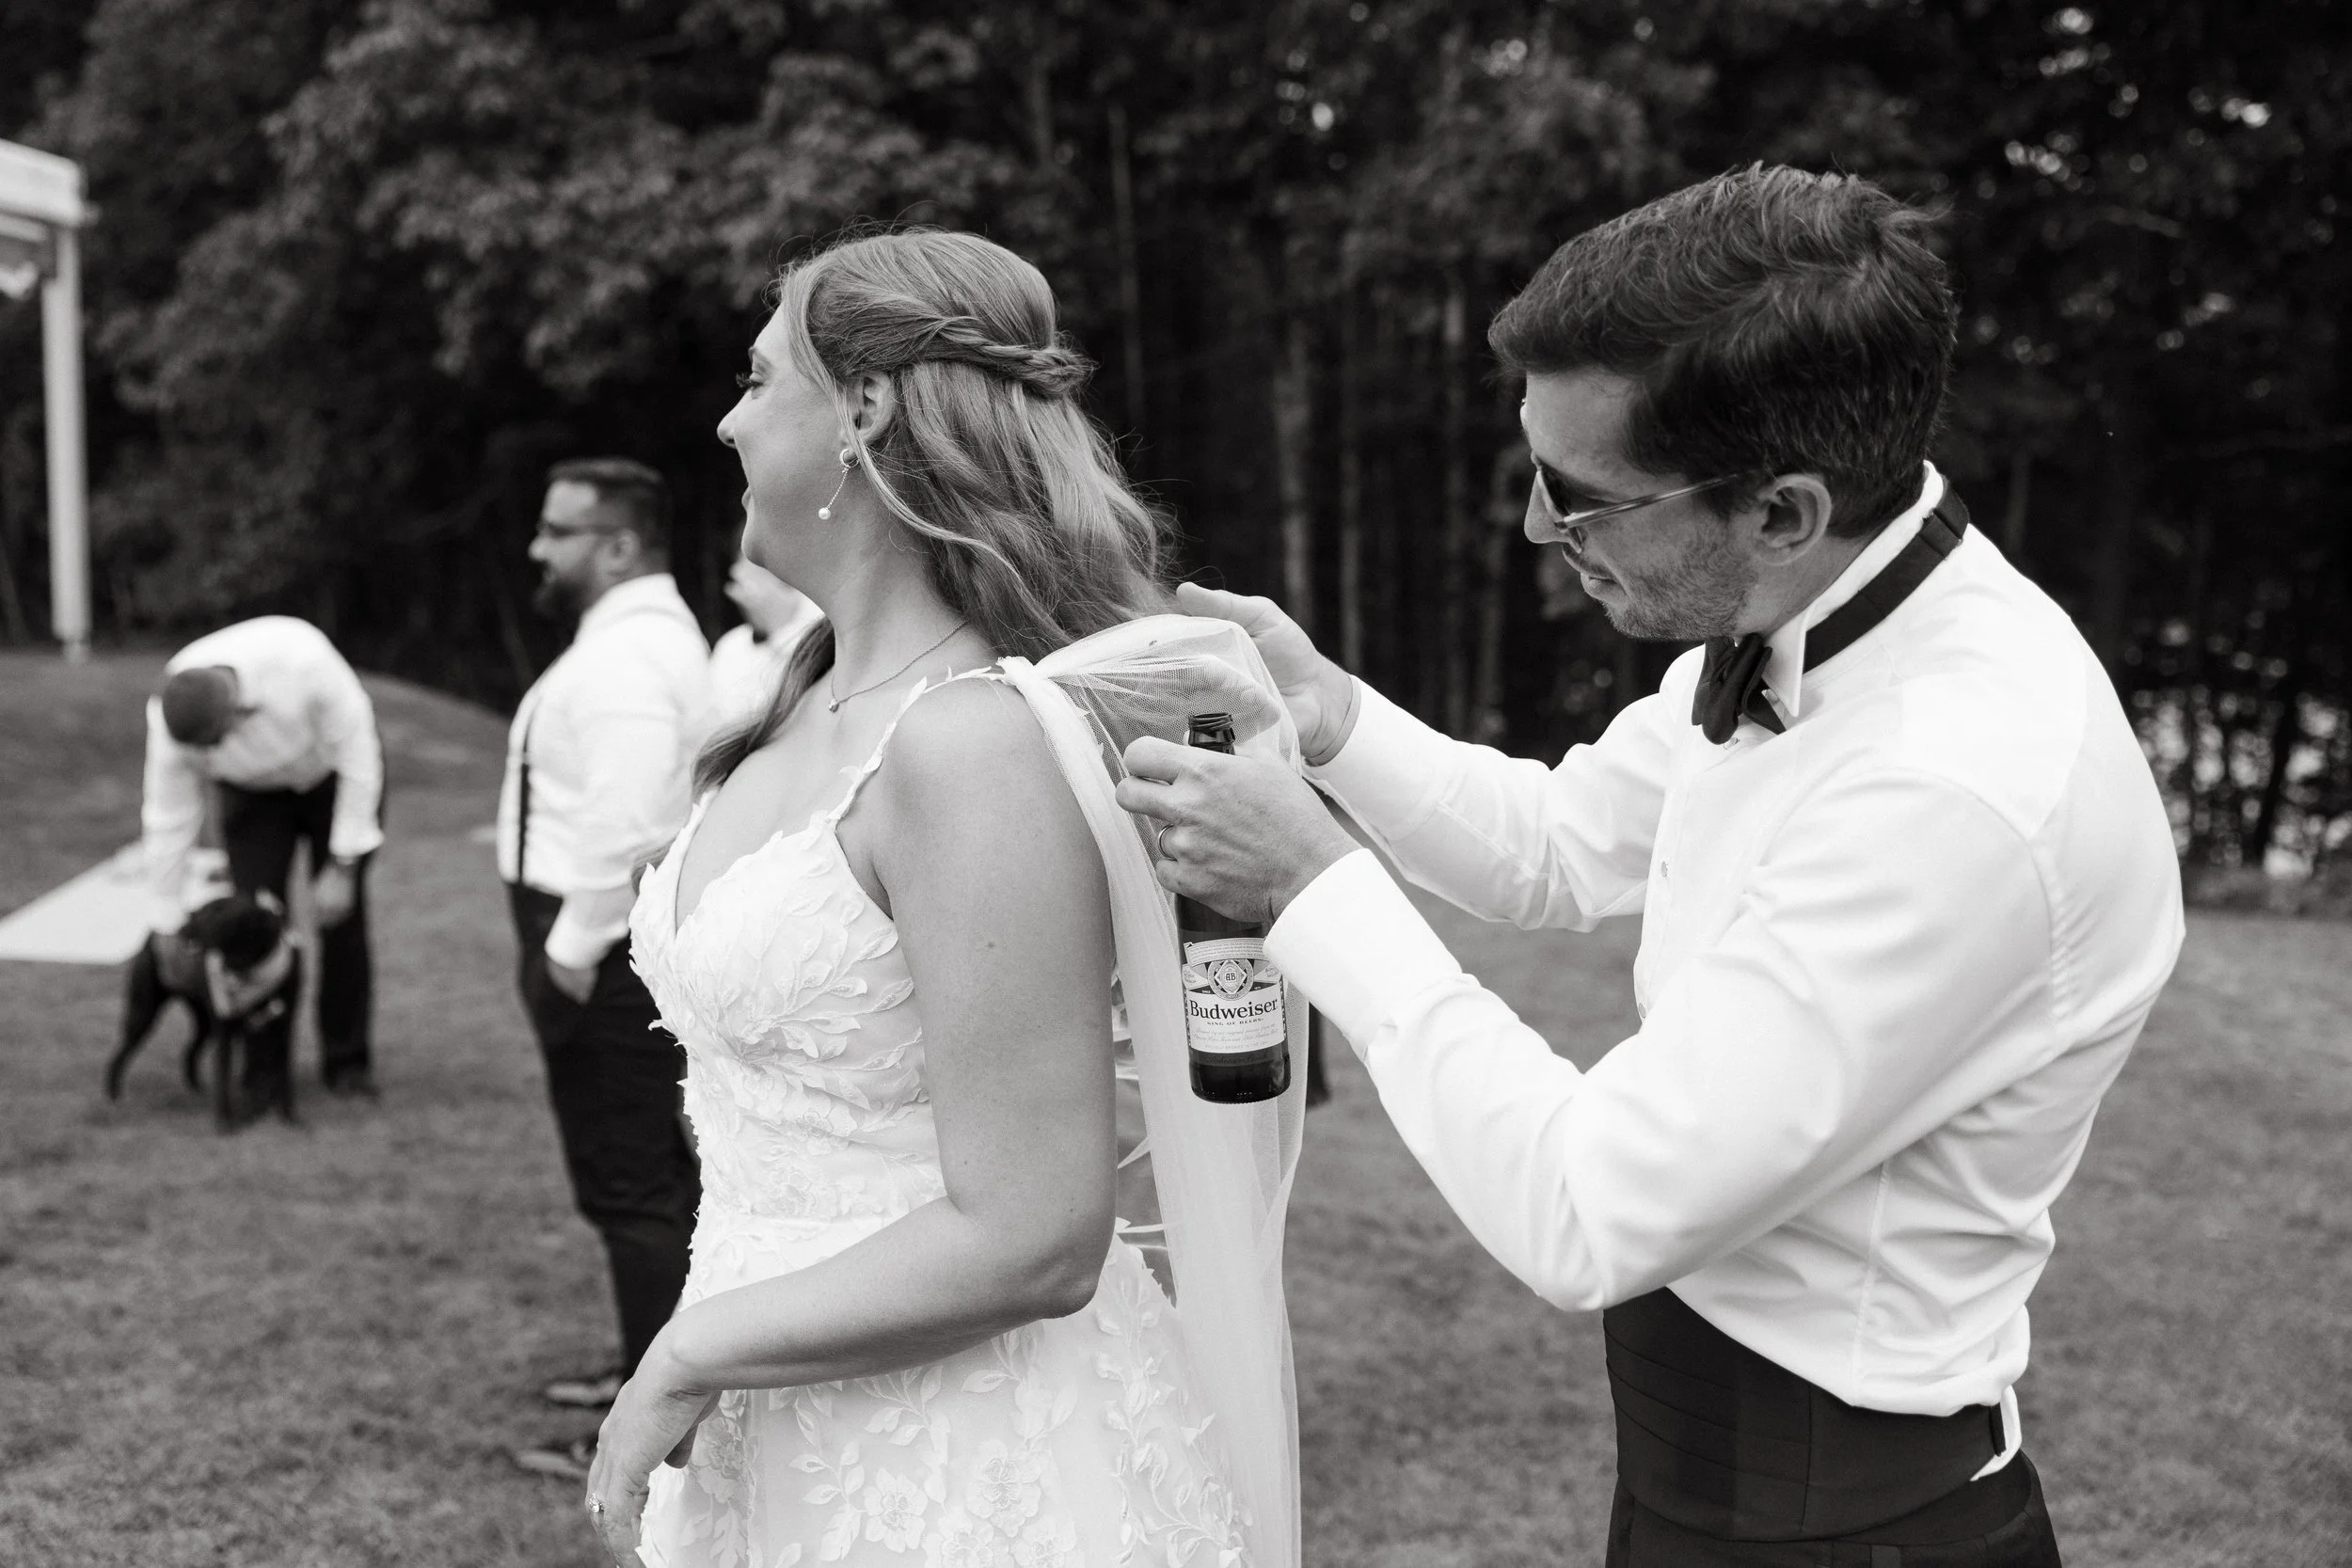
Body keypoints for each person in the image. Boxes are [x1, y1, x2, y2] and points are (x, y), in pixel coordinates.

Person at [1118, 166, 2184, 1566]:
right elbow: (1557, 845)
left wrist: (1314, 888)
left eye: (1580, 497)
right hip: (1707, 1483)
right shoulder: (1804, 610)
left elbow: (1588, 1205)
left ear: (1783, 510)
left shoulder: (1953, 791)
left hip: (1853, 1524)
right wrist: (1330, 716)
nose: (1536, 532)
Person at [580, 230, 1303, 1568]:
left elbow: (1034, 1231)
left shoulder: (970, 743)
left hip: (974, 1455)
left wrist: (689, 1348)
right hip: (785, 1407)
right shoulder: (799, 693)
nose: (730, 421)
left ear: (860, 409)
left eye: (757, 378)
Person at [500, 456, 713, 1477]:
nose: (538, 549)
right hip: (598, 937)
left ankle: (652, 1419)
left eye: (557, 530)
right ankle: (651, 1369)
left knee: (631, 1181)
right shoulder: (630, 642)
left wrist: (568, 949)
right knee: (649, 1175)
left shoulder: (628, 659)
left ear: (618, 544)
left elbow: (630, 824)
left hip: (599, 944)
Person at [140, 615, 383, 1100]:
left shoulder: (303, 661)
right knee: (252, 928)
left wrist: (342, 868)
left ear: (237, 713)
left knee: (341, 923)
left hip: (330, 780)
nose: (206, 754)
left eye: (213, 742)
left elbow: (360, 757)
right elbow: (169, 813)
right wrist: (165, 917)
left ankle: (347, 1062)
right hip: (252, 797)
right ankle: (265, 1073)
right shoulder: (172, 715)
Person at [705, 554, 823, 724]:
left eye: (749, 564)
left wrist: (777, 625)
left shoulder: (825, 629)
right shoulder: (731, 646)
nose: (737, 573)